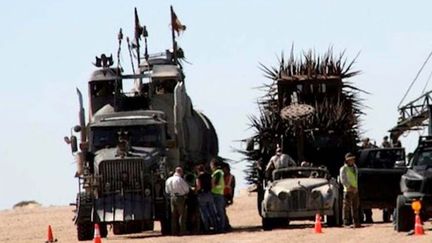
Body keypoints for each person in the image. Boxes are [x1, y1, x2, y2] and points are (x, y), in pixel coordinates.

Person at [165, 166, 190, 235]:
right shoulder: (180, 179)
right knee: (182, 215)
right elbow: (186, 189)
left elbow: (167, 191)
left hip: (172, 197)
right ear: (180, 172)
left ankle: (174, 231)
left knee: (173, 215)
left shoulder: (168, 180)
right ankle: (182, 231)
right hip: (180, 198)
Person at [339, 153, 361, 228]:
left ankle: (356, 222)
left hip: (355, 190)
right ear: (347, 161)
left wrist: (356, 188)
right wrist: (349, 186)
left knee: (355, 206)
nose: (352, 160)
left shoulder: (355, 167)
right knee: (346, 207)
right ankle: (346, 222)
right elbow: (343, 179)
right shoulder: (343, 169)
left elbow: (356, 178)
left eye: (353, 159)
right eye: (350, 159)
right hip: (348, 190)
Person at [195, 164, 218, 233]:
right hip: (209, 194)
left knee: (204, 213)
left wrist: (195, 191)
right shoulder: (209, 175)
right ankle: (215, 227)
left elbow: (198, 186)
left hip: (202, 195)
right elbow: (213, 185)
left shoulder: (198, 177)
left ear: (198, 170)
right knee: (212, 211)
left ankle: (207, 228)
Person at [210, 159, 226, 232]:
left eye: (211, 165)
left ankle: (221, 228)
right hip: (219, 193)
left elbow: (214, 183)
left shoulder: (217, 173)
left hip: (217, 193)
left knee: (218, 212)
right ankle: (221, 227)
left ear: (213, 165)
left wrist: (211, 187)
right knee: (220, 211)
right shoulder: (220, 172)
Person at [222, 163, 236, 231]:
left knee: (222, 210)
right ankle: (226, 225)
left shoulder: (231, 177)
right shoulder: (222, 176)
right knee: (222, 211)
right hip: (222, 195)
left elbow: (233, 188)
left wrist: (231, 198)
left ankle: (226, 225)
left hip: (227, 195)